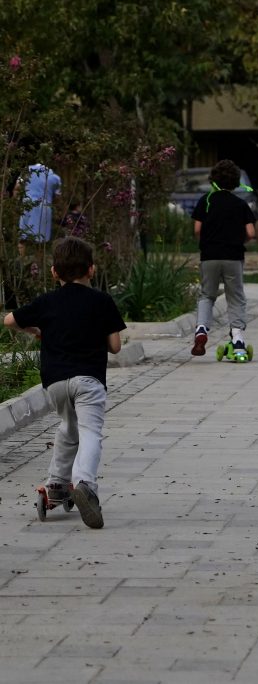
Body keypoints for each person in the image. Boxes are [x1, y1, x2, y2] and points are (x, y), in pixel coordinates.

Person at [4, 237, 126, 529]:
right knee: (90, 432)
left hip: (56, 382)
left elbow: (9, 320)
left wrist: (36, 330)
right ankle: (84, 482)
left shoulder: (48, 301)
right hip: (88, 380)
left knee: (68, 429)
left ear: (54, 272)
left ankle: (57, 482)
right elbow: (116, 345)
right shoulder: (101, 301)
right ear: (92, 270)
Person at [190, 160, 256, 359]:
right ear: (236, 182)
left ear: (213, 180)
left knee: (207, 295)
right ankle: (237, 338)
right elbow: (251, 232)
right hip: (233, 257)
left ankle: (201, 329)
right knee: (235, 297)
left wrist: (207, 241)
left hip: (209, 256)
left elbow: (197, 229)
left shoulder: (206, 201)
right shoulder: (240, 204)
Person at [18, 162, 62, 242]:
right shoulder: (55, 178)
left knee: (22, 236)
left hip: (26, 205)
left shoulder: (27, 171)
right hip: (44, 207)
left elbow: (17, 188)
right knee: (41, 239)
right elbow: (58, 197)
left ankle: (21, 254)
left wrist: (16, 203)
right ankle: (39, 254)